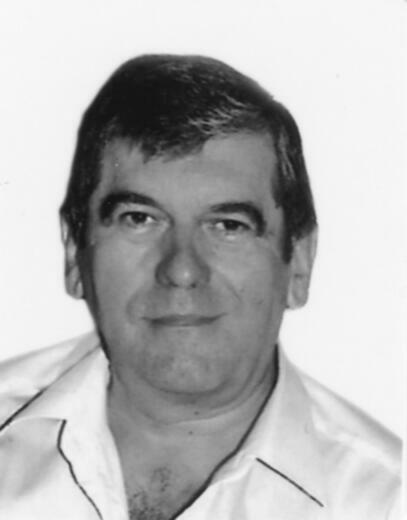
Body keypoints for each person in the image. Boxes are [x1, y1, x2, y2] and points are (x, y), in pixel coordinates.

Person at [0, 55, 401, 520]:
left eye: (228, 225)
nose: (182, 270)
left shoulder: (386, 501)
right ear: (75, 253)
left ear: (299, 263)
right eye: (139, 219)